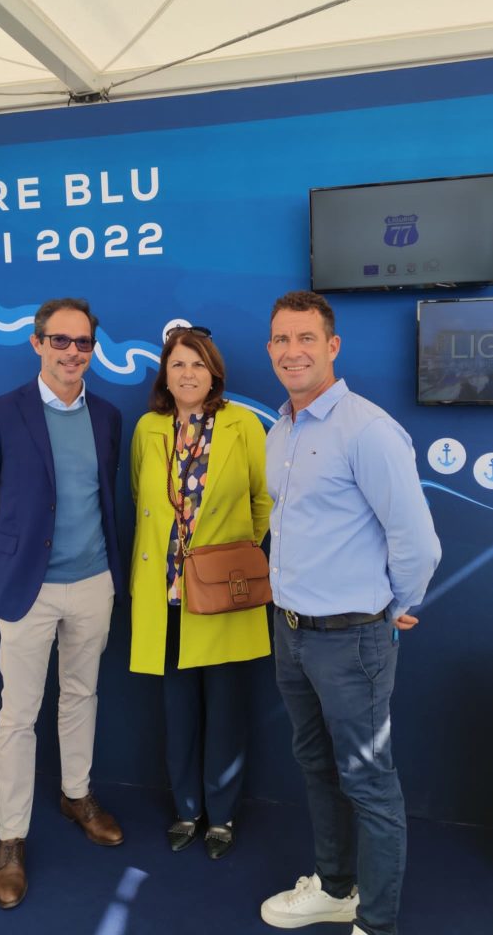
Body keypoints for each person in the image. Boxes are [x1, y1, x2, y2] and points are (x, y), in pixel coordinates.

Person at [260, 291, 441, 935]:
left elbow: (417, 541)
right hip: (291, 633)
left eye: (306, 338)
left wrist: (396, 606)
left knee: (368, 783)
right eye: (282, 339)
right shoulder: (280, 430)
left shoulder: (366, 429)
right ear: (270, 349)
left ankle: (377, 923)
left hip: (351, 642)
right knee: (316, 767)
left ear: (332, 346)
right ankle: (337, 889)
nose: (293, 351)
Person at [0, 297, 124, 909]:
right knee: (18, 716)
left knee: (82, 695)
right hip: (28, 591)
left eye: (83, 343)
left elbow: (104, 497)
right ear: (37, 343)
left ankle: (76, 795)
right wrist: (7, 563)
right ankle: (11, 838)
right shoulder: (1, 414)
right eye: (60, 340)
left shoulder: (107, 417)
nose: (72, 352)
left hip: (94, 583)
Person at [130, 325, 272, 859]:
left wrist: (235, 559)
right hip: (167, 597)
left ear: (213, 373)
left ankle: (223, 814)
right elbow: (141, 497)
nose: (187, 374)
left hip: (224, 593)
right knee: (179, 711)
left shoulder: (243, 424)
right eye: (177, 364)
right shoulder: (148, 428)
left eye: (197, 364)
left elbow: (263, 500)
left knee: (226, 709)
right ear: (165, 376)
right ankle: (187, 810)